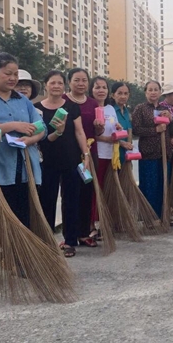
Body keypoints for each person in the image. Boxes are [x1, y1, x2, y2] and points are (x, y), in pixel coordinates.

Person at [0, 52, 46, 288]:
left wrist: (30, 139)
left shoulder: (22, 101)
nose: (13, 78)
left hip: (21, 168)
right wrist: (12, 126)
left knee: (21, 217)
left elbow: (40, 126)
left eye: (16, 73)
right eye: (8, 73)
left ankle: (20, 260)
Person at [35, 70, 91, 258]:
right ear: (46, 85)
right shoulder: (37, 108)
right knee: (47, 202)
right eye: (53, 83)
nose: (56, 86)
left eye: (60, 83)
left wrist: (86, 154)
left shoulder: (71, 107)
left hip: (71, 160)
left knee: (71, 201)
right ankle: (47, 241)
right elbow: (38, 137)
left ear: (64, 86)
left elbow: (79, 132)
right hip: (47, 162)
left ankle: (69, 241)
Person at [63, 68, 102, 247]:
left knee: (87, 192)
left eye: (84, 80)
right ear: (69, 82)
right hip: (70, 153)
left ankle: (84, 233)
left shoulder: (93, 104)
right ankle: (69, 234)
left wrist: (99, 127)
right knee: (70, 194)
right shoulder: (63, 101)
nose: (81, 84)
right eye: (76, 80)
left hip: (89, 152)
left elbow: (98, 131)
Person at [132, 81, 173, 224]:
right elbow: (136, 130)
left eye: (156, 90)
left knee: (164, 185)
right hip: (148, 154)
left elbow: (172, 132)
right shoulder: (140, 109)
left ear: (160, 92)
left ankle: (164, 214)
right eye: (150, 90)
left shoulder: (165, 108)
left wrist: (171, 119)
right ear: (146, 92)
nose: (153, 92)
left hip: (165, 154)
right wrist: (155, 130)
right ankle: (150, 217)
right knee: (150, 185)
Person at [90, 76, 122, 232]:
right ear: (91, 90)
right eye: (97, 87)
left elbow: (115, 129)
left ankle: (105, 221)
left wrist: (117, 128)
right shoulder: (89, 108)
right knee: (96, 190)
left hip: (111, 155)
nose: (101, 90)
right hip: (97, 154)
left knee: (107, 190)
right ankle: (93, 223)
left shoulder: (110, 109)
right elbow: (87, 134)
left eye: (103, 87)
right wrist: (105, 139)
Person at [111, 82, 135, 167]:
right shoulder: (110, 111)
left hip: (126, 155)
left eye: (126, 93)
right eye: (119, 93)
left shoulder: (126, 112)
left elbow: (129, 132)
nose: (123, 96)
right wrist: (121, 143)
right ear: (113, 95)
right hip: (113, 154)